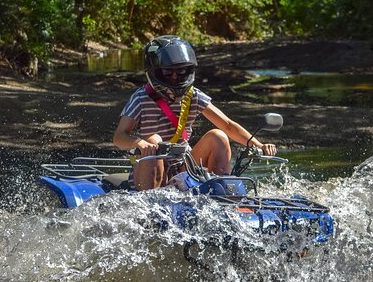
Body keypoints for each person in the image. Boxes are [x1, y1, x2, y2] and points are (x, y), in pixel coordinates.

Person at [113, 35, 277, 190]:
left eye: (181, 71)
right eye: (168, 72)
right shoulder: (141, 98)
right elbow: (119, 137)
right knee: (155, 139)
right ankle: (151, 201)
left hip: (184, 168)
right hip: (149, 166)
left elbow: (228, 126)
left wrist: (259, 145)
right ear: (155, 71)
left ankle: (220, 197)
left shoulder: (194, 96)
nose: (175, 77)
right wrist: (139, 144)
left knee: (218, 136)